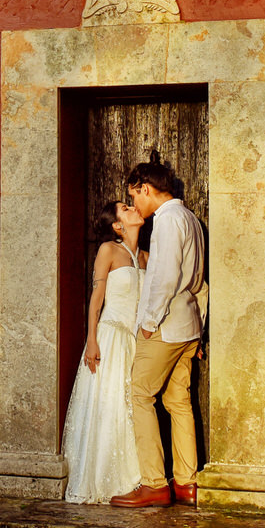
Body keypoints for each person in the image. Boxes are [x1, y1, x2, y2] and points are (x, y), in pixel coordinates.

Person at [111, 160, 206, 509]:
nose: (135, 203)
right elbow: (199, 281)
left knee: (140, 395)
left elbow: (164, 276)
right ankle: (186, 482)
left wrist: (149, 322)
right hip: (188, 325)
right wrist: (200, 329)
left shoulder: (167, 221)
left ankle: (154, 484)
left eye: (135, 194)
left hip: (164, 326)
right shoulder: (191, 220)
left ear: (146, 189)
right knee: (178, 402)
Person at [60, 200, 147, 503]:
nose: (134, 208)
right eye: (126, 208)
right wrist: (92, 340)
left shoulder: (147, 257)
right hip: (109, 337)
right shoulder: (109, 250)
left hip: (136, 343)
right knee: (110, 404)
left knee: (134, 407)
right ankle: (104, 477)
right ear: (116, 224)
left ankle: (139, 478)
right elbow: (97, 298)